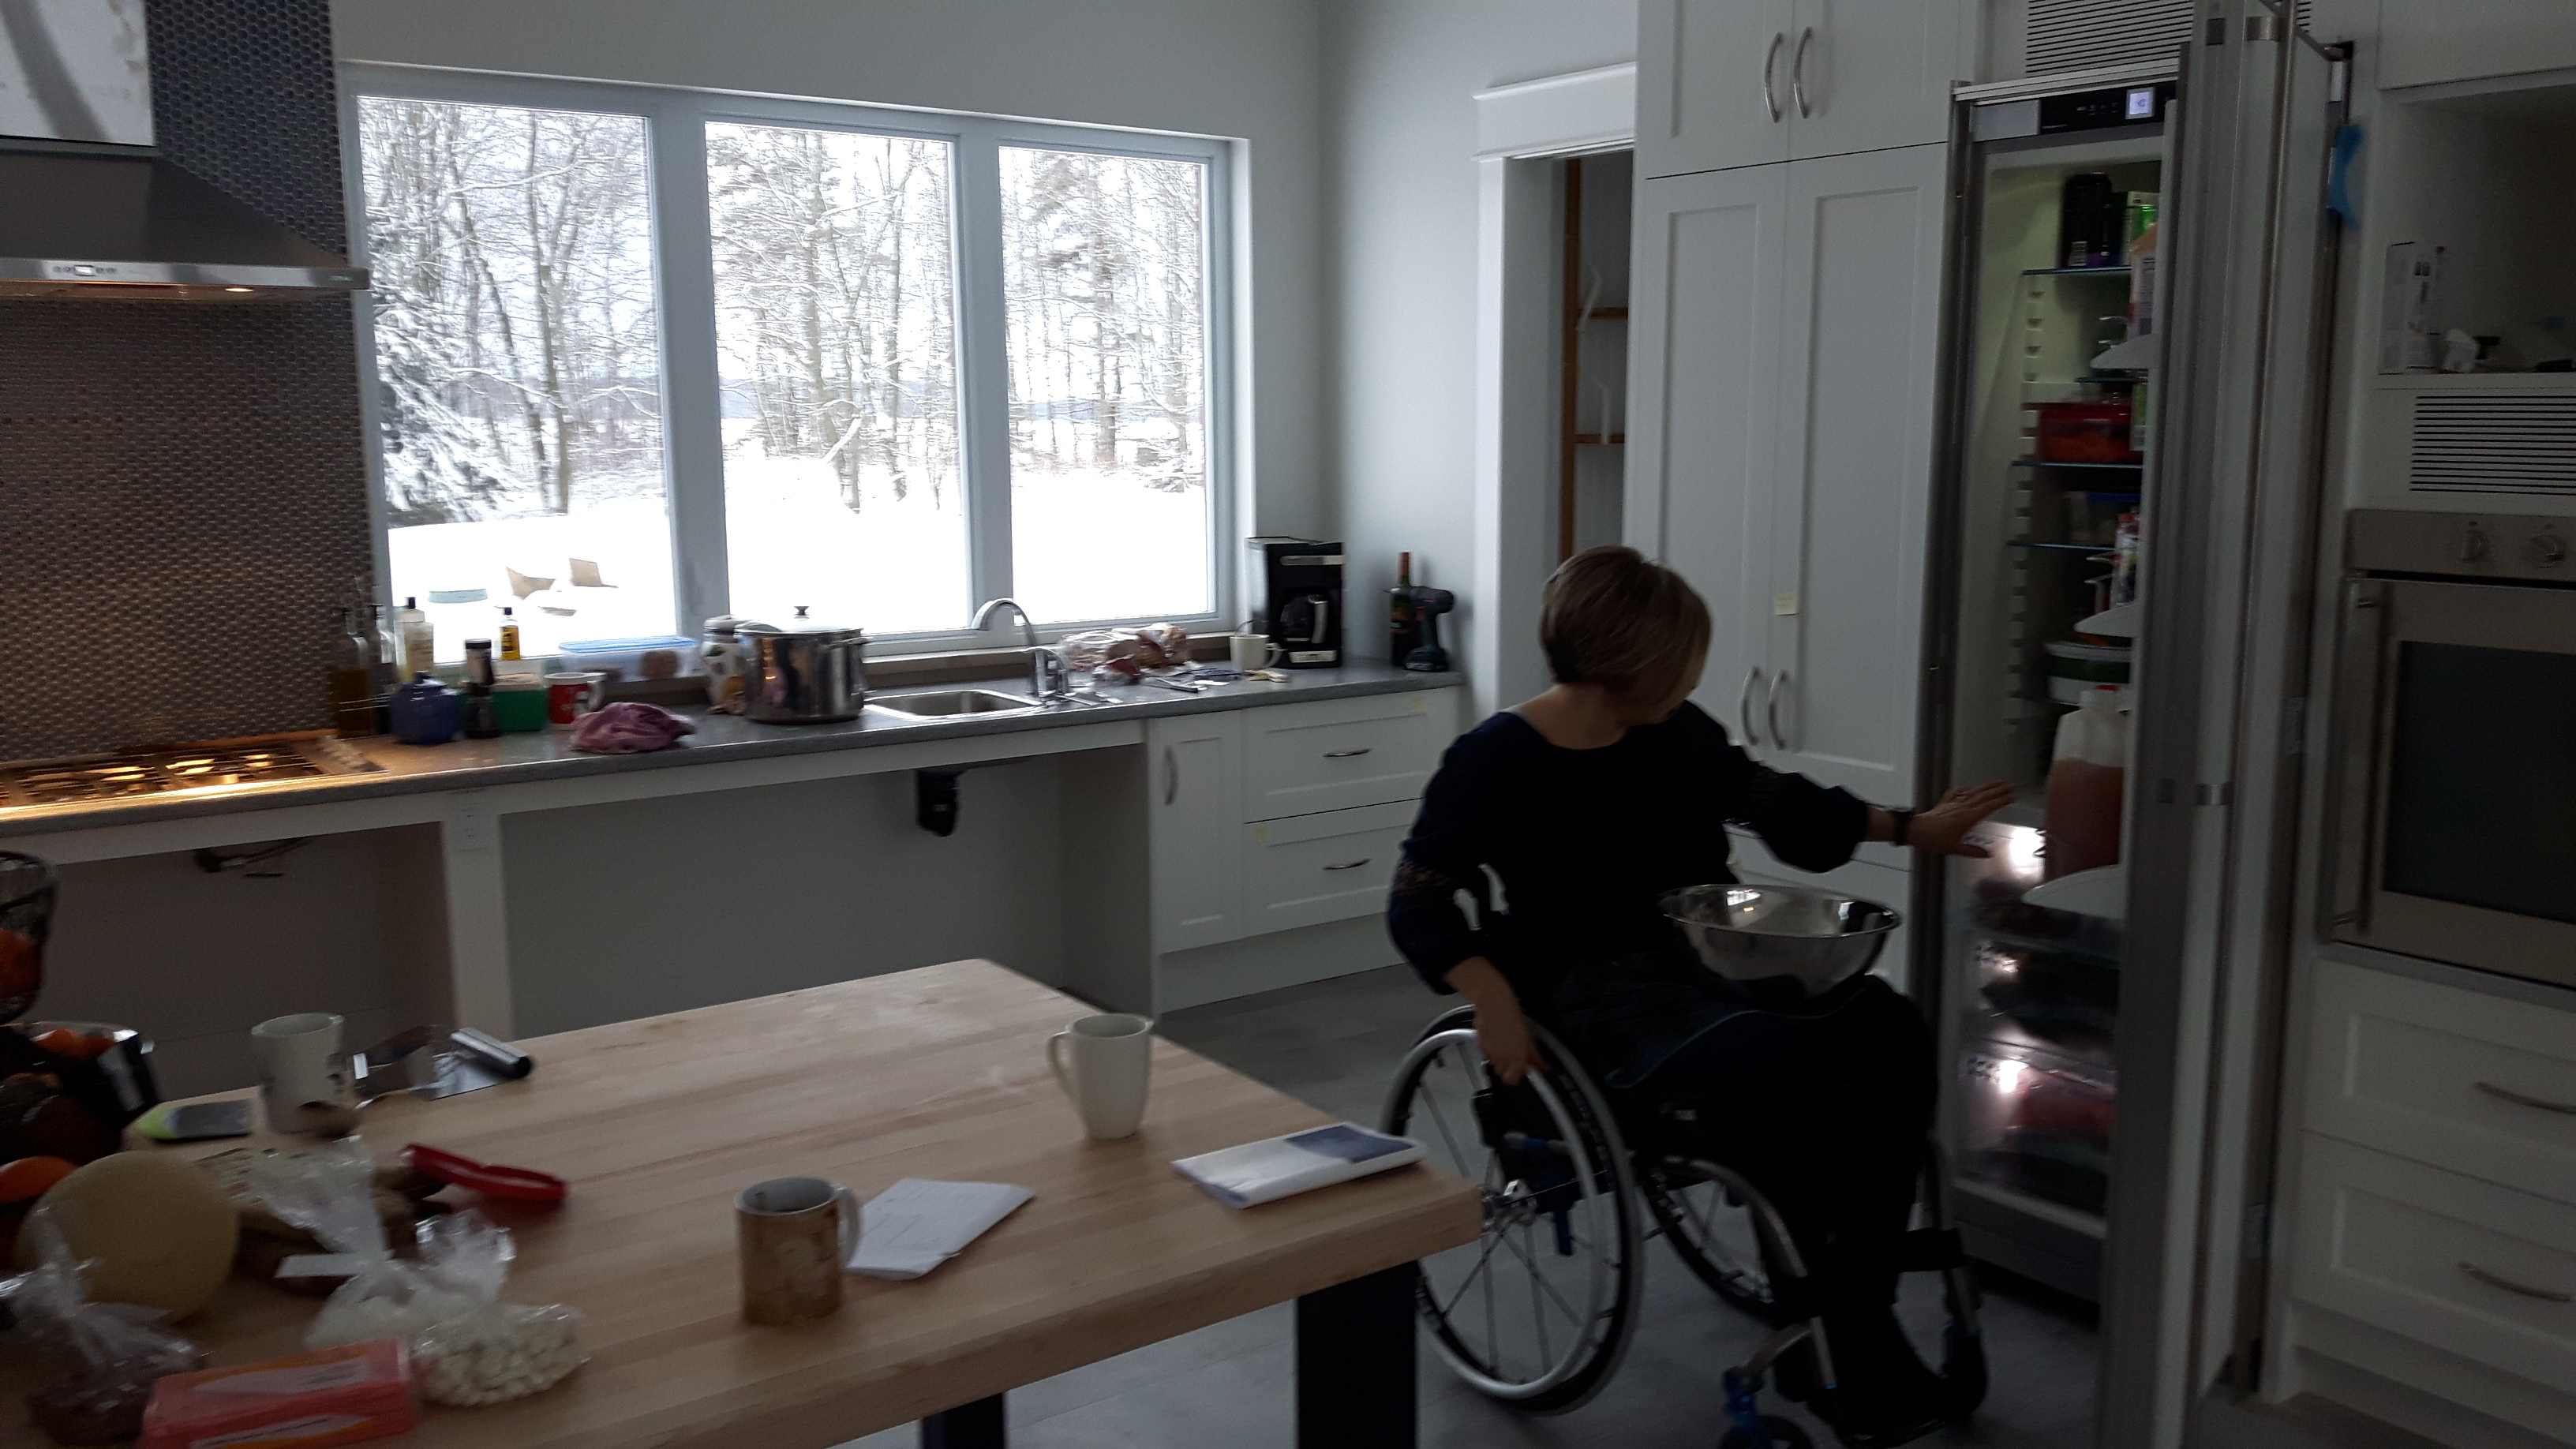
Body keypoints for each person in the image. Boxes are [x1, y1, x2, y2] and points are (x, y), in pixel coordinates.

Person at [1387, 545, 2012, 1448]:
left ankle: (1858, 1300)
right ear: (1633, 661)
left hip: (1708, 960)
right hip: (1596, 997)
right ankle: (1828, 1322)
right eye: (1680, 663)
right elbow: (1417, 900)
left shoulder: (1673, 733)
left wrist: (1916, 827)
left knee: (1888, 1031)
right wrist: (1487, 993)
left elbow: (1776, 803)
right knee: (1783, 1073)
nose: (1691, 681)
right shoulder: (1493, 760)